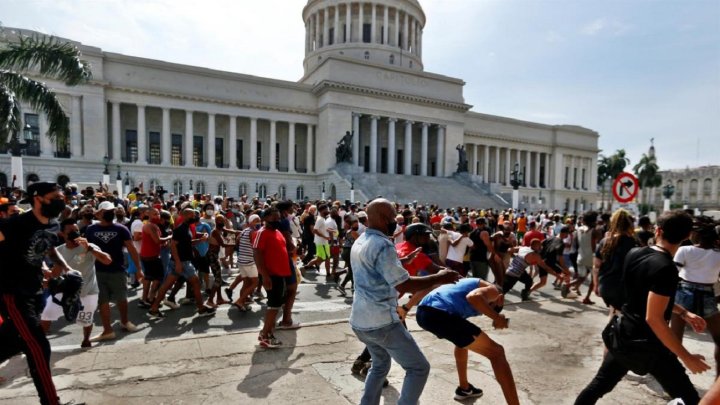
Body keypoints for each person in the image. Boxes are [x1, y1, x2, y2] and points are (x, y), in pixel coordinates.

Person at [575, 210, 710, 405]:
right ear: (687, 236)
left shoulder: (634, 253)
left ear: (657, 230)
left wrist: (683, 312)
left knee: (598, 386)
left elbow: (644, 297)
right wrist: (686, 357)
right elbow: (653, 318)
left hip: (624, 334)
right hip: (649, 346)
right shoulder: (666, 268)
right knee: (690, 398)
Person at [350, 198, 460, 405]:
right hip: (382, 321)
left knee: (380, 365)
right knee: (418, 368)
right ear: (383, 219)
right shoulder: (383, 244)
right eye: (393, 217)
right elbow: (404, 285)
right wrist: (441, 277)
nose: (396, 223)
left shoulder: (361, 240)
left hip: (360, 320)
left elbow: (373, 266)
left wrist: (402, 262)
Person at [0, 182, 77, 405]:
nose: (60, 201)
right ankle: (51, 402)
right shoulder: (15, 224)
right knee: (38, 346)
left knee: (13, 342)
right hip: (13, 295)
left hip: (35, 293)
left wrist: (64, 267)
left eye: (62, 197)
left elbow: (49, 247)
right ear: (37, 198)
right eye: (55, 197)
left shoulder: (53, 224)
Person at [416, 278, 519, 404]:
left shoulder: (460, 292)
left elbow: (463, 339)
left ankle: (464, 388)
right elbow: (474, 297)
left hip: (423, 314)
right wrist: (497, 317)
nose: (481, 312)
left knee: (463, 344)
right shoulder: (494, 291)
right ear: (500, 299)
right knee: (497, 352)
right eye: (490, 306)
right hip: (439, 313)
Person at [41, 218, 112, 348]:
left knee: (86, 319)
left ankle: (86, 340)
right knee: (47, 313)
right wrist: (47, 275)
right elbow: (56, 273)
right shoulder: (59, 251)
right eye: (71, 232)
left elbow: (107, 261)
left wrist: (90, 248)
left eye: (77, 231)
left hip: (88, 291)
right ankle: (38, 342)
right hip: (65, 290)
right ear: (62, 234)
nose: (75, 234)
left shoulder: (89, 246)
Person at [85, 201, 141, 342]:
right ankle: (107, 330)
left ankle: (124, 321)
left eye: (111, 211)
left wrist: (139, 269)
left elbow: (132, 249)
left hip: (118, 270)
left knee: (122, 298)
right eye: (106, 211)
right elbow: (85, 251)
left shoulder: (121, 229)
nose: (110, 213)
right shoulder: (90, 229)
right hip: (97, 271)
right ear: (99, 213)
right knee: (102, 301)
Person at [670, 219, 720, 376]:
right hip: (707, 295)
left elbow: (671, 275)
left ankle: (672, 377)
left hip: (683, 293)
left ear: (696, 235)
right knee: (719, 338)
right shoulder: (718, 254)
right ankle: (717, 380)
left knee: (674, 339)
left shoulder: (684, 250)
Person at [146, 208, 216, 319]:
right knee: (196, 283)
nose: (195, 217)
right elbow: (173, 245)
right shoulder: (180, 229)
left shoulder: (187, 228)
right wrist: (178, 262)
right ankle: (201, 309)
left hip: (178, 262)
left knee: (166, 286)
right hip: (183, 262)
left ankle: (153, 309)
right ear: (186, 216)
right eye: (192, 215)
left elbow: (187, 243)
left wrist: (201, 240)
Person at [253, 207, 293, 348]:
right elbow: (257, 253)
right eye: (274, 218)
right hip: (272, 275)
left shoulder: (277, 232)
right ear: (265, 218)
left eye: (278, 218)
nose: (277, 221)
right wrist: (264, 275)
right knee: (273, 306)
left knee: (275, 306)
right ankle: (266, 335)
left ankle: (266, 331)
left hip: (281, 274)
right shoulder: (262, 233)